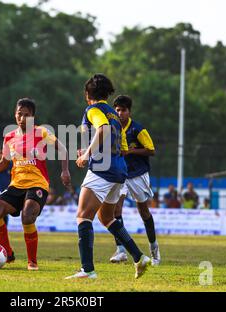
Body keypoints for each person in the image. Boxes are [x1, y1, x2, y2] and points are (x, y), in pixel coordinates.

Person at [0, 98, 71, 271]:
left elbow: (63, 149)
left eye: (26, 115)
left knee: (27, 216)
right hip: (17, 185)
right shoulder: (9, 137)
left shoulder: (42, 132)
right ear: (15, 114)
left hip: (37, 183)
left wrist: (65, 170)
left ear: (33, 117)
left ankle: (32, 262)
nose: (22, 118)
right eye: (19, 114)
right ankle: (7, 253)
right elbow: (3, 164)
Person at [65, 74, 150, 280]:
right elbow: (121, 146)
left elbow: (102, 129)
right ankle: (139, 257)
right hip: (119, 170)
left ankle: (87, 270)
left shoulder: (93, 110)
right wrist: (91, 150)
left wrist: (87, 154)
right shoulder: (113, 113)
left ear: (88, 94)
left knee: (83, 216)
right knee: (106, 217)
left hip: (103, 170)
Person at [109, 95, 160, 265]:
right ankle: (121, 250)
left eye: (123, 110)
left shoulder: (137, 129)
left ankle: (155, 250)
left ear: (129, 112)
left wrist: (130, 152)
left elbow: (151, 150)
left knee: (143, 211)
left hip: (138, 174)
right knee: (116, 209)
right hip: (121, 174)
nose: (119, 113)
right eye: (117, 110)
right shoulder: (112, 128)